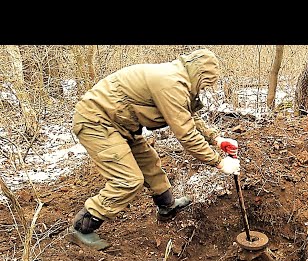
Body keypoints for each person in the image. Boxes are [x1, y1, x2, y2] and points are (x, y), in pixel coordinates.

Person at [69, 48, 240, 250]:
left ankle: (167, 206)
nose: (204, 88)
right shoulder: (171, 83)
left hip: (121, 125)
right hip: (96, 122)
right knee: (128, 180)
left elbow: (187, 116)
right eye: (206, 83)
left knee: (150, 163)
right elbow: (186, 135)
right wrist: (219, 162)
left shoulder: (177, 78)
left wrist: (216, 139)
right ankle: (83, 227)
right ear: (199, 74)